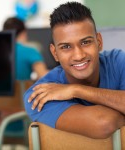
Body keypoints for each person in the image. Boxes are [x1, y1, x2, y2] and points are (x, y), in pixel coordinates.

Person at [24, 1, 125, 139]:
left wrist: (76, 90)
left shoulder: (119, 61)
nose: (79, 55)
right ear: (55, 53)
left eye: (85, 42)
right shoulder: (38, 95)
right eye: (66, 47)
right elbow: (104, 123)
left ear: (99, 42)